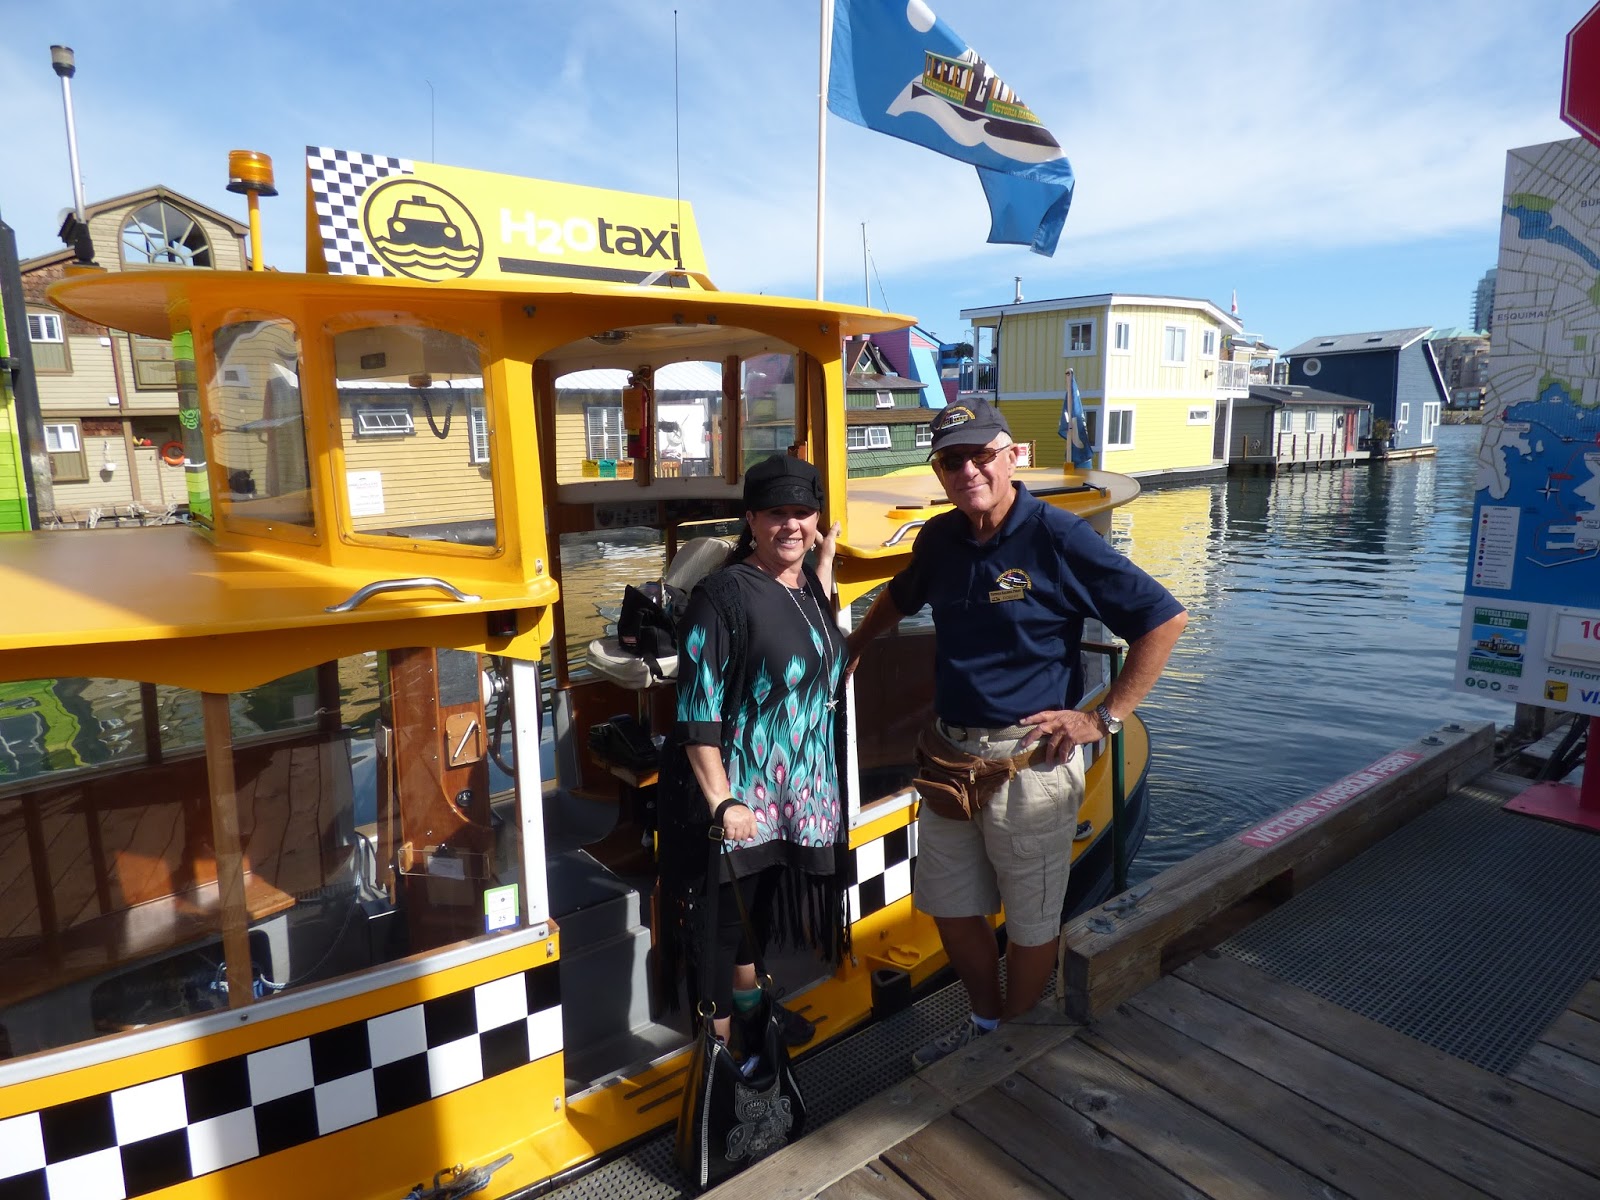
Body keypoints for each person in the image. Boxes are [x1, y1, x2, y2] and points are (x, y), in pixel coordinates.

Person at [845, 398, 1187, 1069]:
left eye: (979, 455)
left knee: (1031, 920)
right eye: (951, 460)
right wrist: (857, 642)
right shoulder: (939, 538)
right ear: (939, 472)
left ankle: (1015, 1043)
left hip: (1029, 763)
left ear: (1011, 458)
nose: (967, 469)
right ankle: (985, 1023)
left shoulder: (1056, 537)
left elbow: (1162, 619)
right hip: (949, 758)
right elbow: (903, 592)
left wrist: (1103, 716)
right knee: (950, 906)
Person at [657, 453, 850, 1065]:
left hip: (793, 792)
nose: (790, 525)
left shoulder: (808, 586)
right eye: (777, 514)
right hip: (739, 797)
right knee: (722, 930)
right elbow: (696, 710)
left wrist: (822, 564)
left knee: (757, 917)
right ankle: (714, 1063)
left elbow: (819, 656)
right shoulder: (722, 595)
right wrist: (723, 798)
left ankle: (752, 1016)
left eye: (803, 512)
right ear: (751, 519)